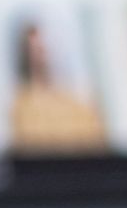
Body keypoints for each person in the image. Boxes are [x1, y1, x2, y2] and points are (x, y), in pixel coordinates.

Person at [8, 20, 107, 152]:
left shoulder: (79, 105)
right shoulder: (19, 107)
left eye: (42, 50)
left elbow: (97, 144)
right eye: (34, 51)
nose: (40, 58)